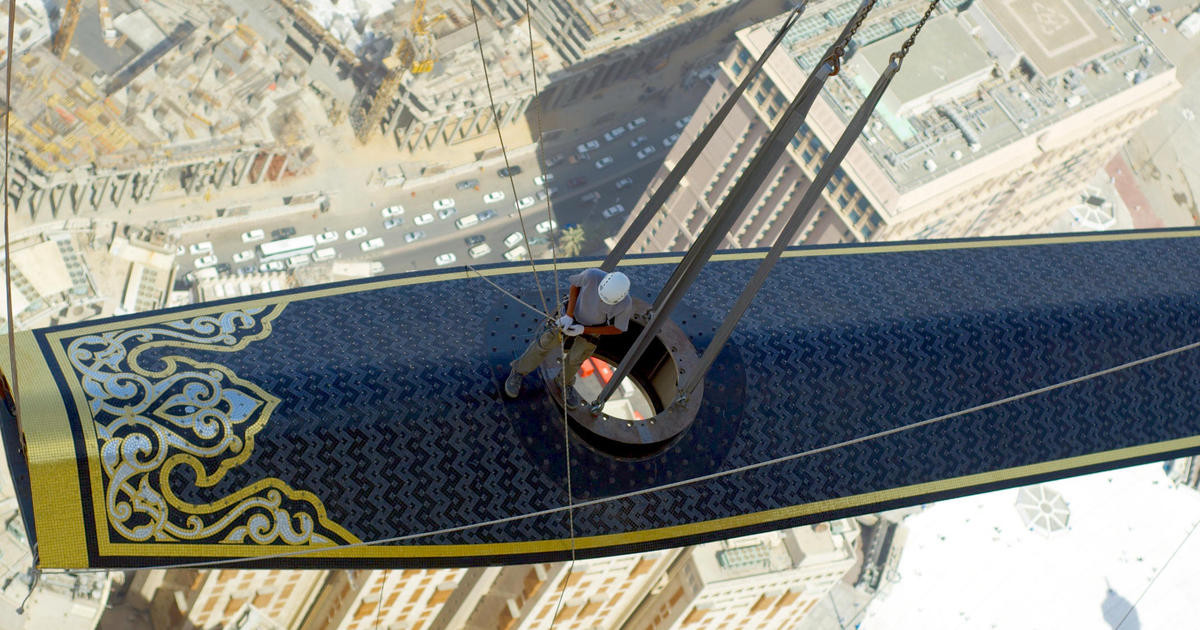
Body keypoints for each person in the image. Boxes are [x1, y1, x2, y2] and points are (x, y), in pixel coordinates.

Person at [505, 269, 633, 408]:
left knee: (576, 358)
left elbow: (617, 328)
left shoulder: (625, 304)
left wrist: (584, 330)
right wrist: (569, 316)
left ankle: (564, 382)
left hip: (592, 327)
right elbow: (575, 286)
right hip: (572, 314)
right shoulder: (592, 276)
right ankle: (518, 371)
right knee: (546, 342)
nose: (601, 300)